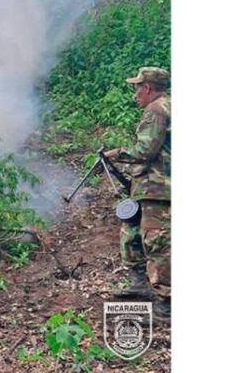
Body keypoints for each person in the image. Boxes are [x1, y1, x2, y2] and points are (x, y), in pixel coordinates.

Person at [104, 67, 170, 322]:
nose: (135, 95)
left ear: (148, 88)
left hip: (158, 188)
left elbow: (145, 150)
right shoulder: (167, 106)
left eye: (137, 88)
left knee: (158, 243)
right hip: (149, 187)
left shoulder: (157, 109)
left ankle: (166, 305)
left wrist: (117, 153)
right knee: (132, 230)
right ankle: (139, 283)